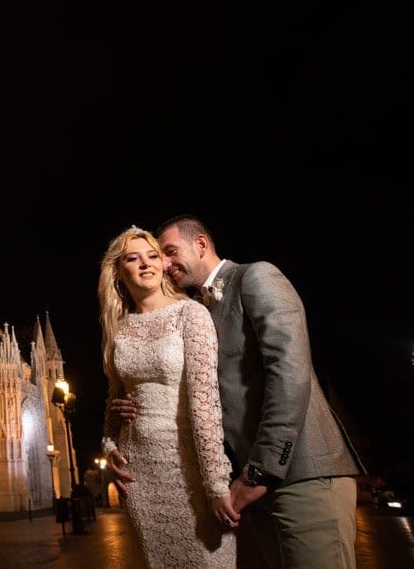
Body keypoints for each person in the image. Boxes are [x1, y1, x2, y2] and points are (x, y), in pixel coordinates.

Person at [108, 215, 365, 569]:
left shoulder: (255, 276)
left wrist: (259, 473)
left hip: (300, 474)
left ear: (200, 244)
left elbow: (289, 374)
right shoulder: (193, 307)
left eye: (168, 252)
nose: (163, 264)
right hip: (246, 485)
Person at [99, 225, 237, 568]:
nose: (145, 264)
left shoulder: (190, 314)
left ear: (162, 264)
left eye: (152, 256)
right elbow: (114, 401)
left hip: (188, 469)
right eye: (133, 258)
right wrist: (110, 446)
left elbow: (205, 402)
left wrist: (216, 483)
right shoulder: (119, 327)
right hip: (139, 476)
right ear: (118, 270)